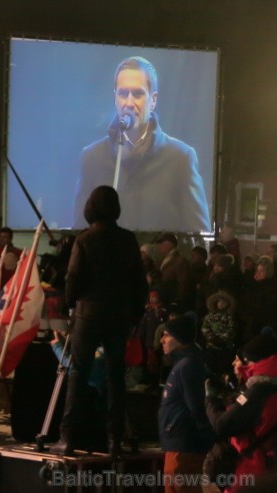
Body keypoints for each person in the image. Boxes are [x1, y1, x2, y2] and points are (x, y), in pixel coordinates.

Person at [51, 185, 148, 457]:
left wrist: (71, 303)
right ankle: (114, 440)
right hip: (118, 315)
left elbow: (72, 280)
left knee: (78, 373)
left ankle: (68, 437)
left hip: (88, 314)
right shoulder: (128, 240)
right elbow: (139, 282)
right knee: (115, 377)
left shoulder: (84, 240)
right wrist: (134, 316)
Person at [72, 56, 210, 232]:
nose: (129, 103)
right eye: (123, 94)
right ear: (115, 98)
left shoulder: (181, 158)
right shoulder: (92, 157)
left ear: (153, 100)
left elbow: (198, 235)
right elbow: (79, 230)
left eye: (137, 94)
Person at [205, 328, 277, 492]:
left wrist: (210, 399)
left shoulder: (260, 390)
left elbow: (223, 425)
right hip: (266, 469)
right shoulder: (270, 388)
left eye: (247, 361)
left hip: (250, 470)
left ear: (259, 362)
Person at [158, 311, 215, 493]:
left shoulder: (187, 365)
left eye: (166, 335)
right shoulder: (184, 364)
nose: (162, 340)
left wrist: (205, 439)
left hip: (184, 448)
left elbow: (197, 407)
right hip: (180, 446)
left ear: (179, 338)